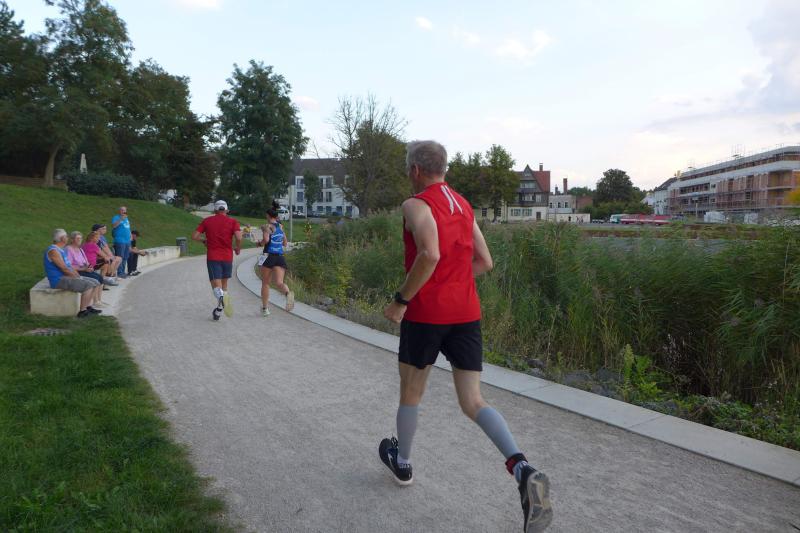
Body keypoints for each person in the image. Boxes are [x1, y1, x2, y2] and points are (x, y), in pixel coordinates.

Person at [378, 141, 552, 533]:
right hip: (466, 314)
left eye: (408, 170)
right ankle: (522, 468)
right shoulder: (464, 205)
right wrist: (452, 282)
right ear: (444, 168)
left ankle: (402, 464)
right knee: (473, 401)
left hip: (426, 314)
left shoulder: (415, 205)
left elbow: (430, 254)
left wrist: (401, 300)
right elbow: (485, 262)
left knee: (411, 393)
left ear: (415, 170)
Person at [192, 200, 242, 321]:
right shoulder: (233, 222)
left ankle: (222, 298)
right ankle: (218, 311)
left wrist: (204, 240)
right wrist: (238, 248)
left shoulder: (207, 221)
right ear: (226, 210)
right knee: (224, 285)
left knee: (215, 285)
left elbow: (194, 236)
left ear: (215, 210)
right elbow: (239, 237)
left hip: (213, 257)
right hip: (227, 257)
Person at [44, 229, 102, 318]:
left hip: (66, 276)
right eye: (66, 236)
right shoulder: (53, 251)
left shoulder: (60, 250)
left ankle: (88, 307)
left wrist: (78, 275)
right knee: (88, 285)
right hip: (58, 280)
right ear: (62, 238)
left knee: (95, 282)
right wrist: (77, 277)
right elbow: (64, 269)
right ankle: (82, 312)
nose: (68, 238)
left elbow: (69, 267)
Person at [257, 203, 295, 317]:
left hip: (268, 256)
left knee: (265, 283)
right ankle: (288, 294)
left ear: (268, 216)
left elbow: (266, 240)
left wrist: (259, 243)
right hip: (279, 257)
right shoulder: (280, 226)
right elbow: (285, 243)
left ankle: (265, 309)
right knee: (279, 282)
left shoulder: (267, 226)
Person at [65, 231, 105, 307]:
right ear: (72, 239)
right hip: (77, 271)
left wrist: (89, 267)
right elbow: (68, 266)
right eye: (77, 238)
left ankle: (97, 301)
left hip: (84, 269)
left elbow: (86, 261)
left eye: (80, 238)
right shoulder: (69, 249)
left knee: (100, 277)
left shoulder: (80, 249)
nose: (79, 240)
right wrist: (84, 269)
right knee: (96, 280)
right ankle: (92, 303)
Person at [111, 206, 132, 278]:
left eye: (124, 210)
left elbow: (128, 228)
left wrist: (130, 237)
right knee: (120, 257)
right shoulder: (116, 217)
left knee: (125, 257)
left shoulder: (126, 218)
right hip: (120, 240)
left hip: (127, 241)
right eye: (122, 210)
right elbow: (114, 226)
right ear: (119, 211)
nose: (123, 211)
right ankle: (120, 272)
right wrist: (120, 219)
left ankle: (123, 272)